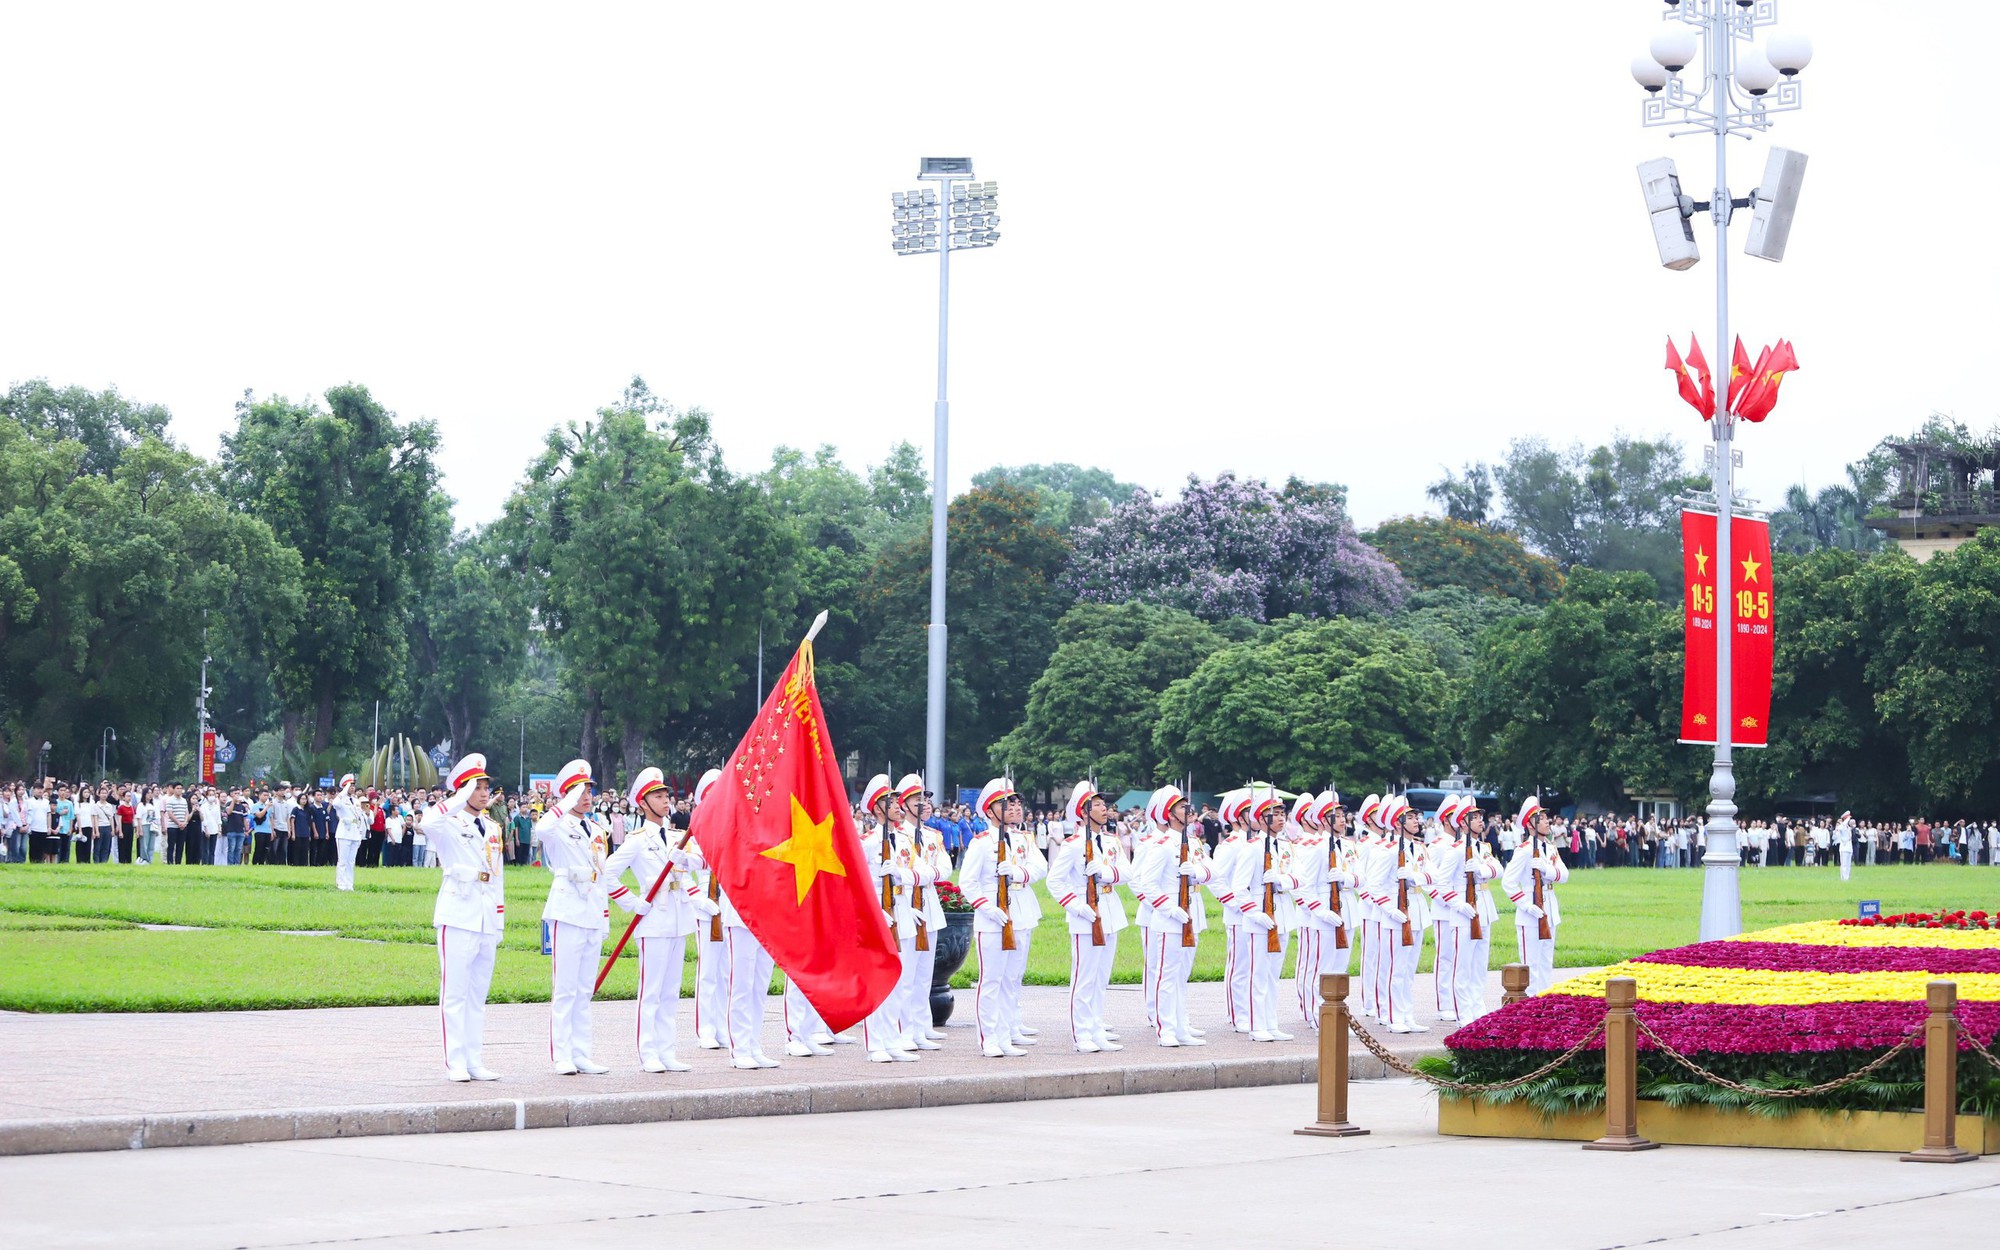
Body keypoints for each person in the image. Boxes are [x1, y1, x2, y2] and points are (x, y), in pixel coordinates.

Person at [603, 767, 710, 1072]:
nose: (665, 801)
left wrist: (685, 859)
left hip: (679, 917)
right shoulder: (638, 840)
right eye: (658, 796)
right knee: (651, 991)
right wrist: (631, 902)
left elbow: (704, 860)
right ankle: (648, 1052)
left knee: (671, 990)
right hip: (653, 919)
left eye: (666, 795)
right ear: (643, 803)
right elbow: (608, 872)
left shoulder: (678, 835)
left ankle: (667, 1050)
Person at [424, 753, 506, 1082]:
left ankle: (474, 1059)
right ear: (463, 790)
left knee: (477, 995)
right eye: (477, 786)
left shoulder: (491, 828)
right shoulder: (448, 823)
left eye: (486, 786)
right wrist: (457, 796)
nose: (485, 792)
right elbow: (427, 822)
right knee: (455, 994)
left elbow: (497, 876)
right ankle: (455, 1061)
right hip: (458, 913)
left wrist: (499, 921)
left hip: (485, 916)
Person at [536, 759, 612, 1076]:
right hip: (567, 909)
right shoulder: (557, 826)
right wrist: (563, 802)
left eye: (589, 789)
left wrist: (605, 916)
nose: (587, 795)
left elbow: (603, 874)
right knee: (565, 988)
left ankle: (582, 1052)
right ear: (567, 794)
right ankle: (562, 1054)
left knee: (584, 989)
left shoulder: (596, 830)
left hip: (592, 909)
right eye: (580, 790)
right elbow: (541, 830)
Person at [1046, 779, 1128, 1053]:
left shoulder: (1111, 841)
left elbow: (1127, 873)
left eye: (1104, 805)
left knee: (1101, 978)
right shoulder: (1072, 844)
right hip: (1085, 913)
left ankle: (1096, 1028)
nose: (1104, 809)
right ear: (1083, 812)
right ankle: (1082, 1033)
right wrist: (1076, 906)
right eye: (1097, 805)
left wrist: (1107, 873)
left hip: (1110, 910)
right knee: (1084, 977)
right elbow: (1054, 882)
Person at [1133, 784, 1210, 1048]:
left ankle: (1180, 1025)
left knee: (1181, 976)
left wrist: (1197, 873)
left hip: (1192, 916)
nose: (1188, 810)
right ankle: (1166, 1028)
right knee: (1166, 975)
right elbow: (1147, 885)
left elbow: (1213, 872)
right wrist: (1168, 908)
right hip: (1169, 919)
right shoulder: (1162, 845)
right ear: (1169, 814)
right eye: (1181, 807)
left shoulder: (1195, 843)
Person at [857, 773, 921, 1063]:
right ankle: (876, 1043)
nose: (898, 805)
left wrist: (901, 876)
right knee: (880, 980)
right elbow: (857, 883)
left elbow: (919, 870)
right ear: (877, 807)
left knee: (901, 980)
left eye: (897, 800)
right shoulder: (868, 843)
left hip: (903, 910)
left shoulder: (905, 839)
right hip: (879, 915)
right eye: (891, 801)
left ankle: (893, 1038)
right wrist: (875, 910)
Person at [1226, 787, 1297, 1042]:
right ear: (1262, 817)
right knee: (1258, 974)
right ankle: (1257, 1025)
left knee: (1273, 975)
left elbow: (1300, 878)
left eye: (1282, 813)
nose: (1280, 818)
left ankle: (1271, 1022)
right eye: (1274, 814)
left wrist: (1282, 881)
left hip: (1283, 913)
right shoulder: (1252, 848)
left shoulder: (1287, 847)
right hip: (1259, 917)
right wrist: (1254, 913)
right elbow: (1238, 888)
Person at [1361, 795, 1430, 1034]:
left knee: (1409, 969)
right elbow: (1373, 886)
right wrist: (1390, 909)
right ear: (1397, 823)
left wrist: (1414, 877)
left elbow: (1434, 876)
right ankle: (1392, 1015)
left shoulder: (1419, 848)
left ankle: (1406, 1013)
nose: (1416, 821)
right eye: (1409, 818)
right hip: (1393, 915)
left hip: (1417, 911)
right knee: (1394, 969)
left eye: (1415, 817)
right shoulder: (1387, 851)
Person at [1424, 795, 1483, 1024]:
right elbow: (1434, 882)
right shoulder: (1439, 846)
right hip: (1444, 907)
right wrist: (1449, 901)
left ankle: (1463, 1002)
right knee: (1446, 957)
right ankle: (1445, 1002)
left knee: (1464, 958)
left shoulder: (1467, 845)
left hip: (1462, 907)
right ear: (1449, 819)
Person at [1504, 795, 1569, 995]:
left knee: (1546, 961)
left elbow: (1564, 875)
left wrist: (1546, 869)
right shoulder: (1523, 851)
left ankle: (1543, 1003)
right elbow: (1508, 882)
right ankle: (1530, 1005)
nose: (1546, 821)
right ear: (1530, 824)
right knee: (1530, 964)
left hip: (1549, 906)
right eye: (1540, 818)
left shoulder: (1550, 848)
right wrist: (1525, 905)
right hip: (1530, 912)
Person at [332, 776, 366, 890]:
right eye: (349, 786)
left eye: (352, 786)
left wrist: (360, 834)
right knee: (342, 860)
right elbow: (335, 804)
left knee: (351, 861)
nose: (352, 788)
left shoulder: (356, 801)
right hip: (344, 833)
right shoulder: (341, 799)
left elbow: (360, 817)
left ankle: (349, 884)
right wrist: (343, 791)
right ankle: (341, 884)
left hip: (355, 832)